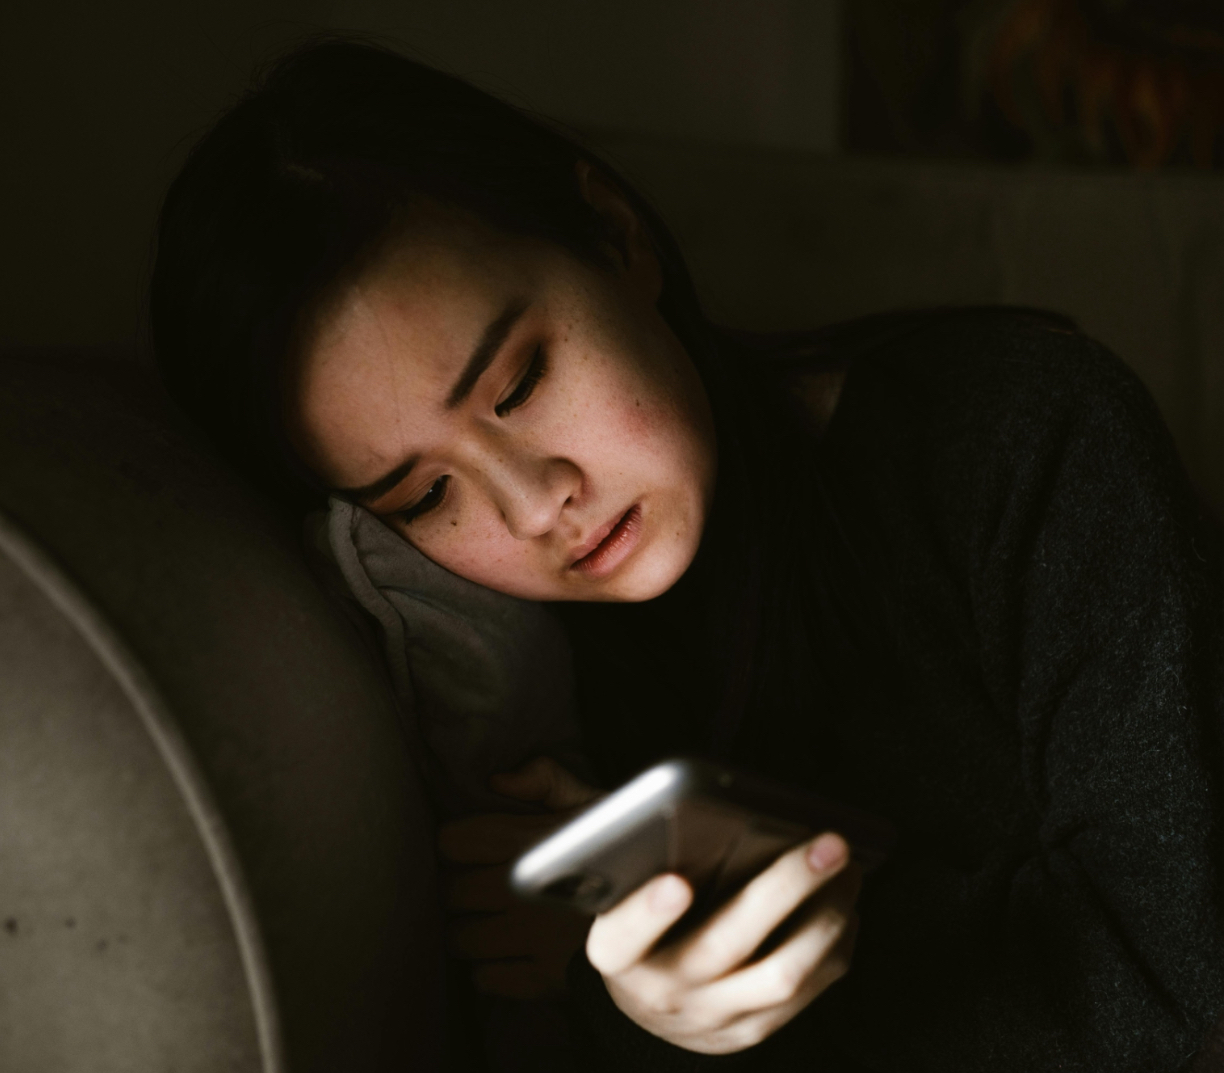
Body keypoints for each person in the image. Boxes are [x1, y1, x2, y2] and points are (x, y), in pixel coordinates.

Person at [149, 38, 1224, 1072]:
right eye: (426, 495)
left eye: (520, 381)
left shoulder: (1025, 432)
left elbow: (1168, 965)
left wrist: (750, 962)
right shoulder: (528, 700)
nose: (535, 506)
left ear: (618, 238)